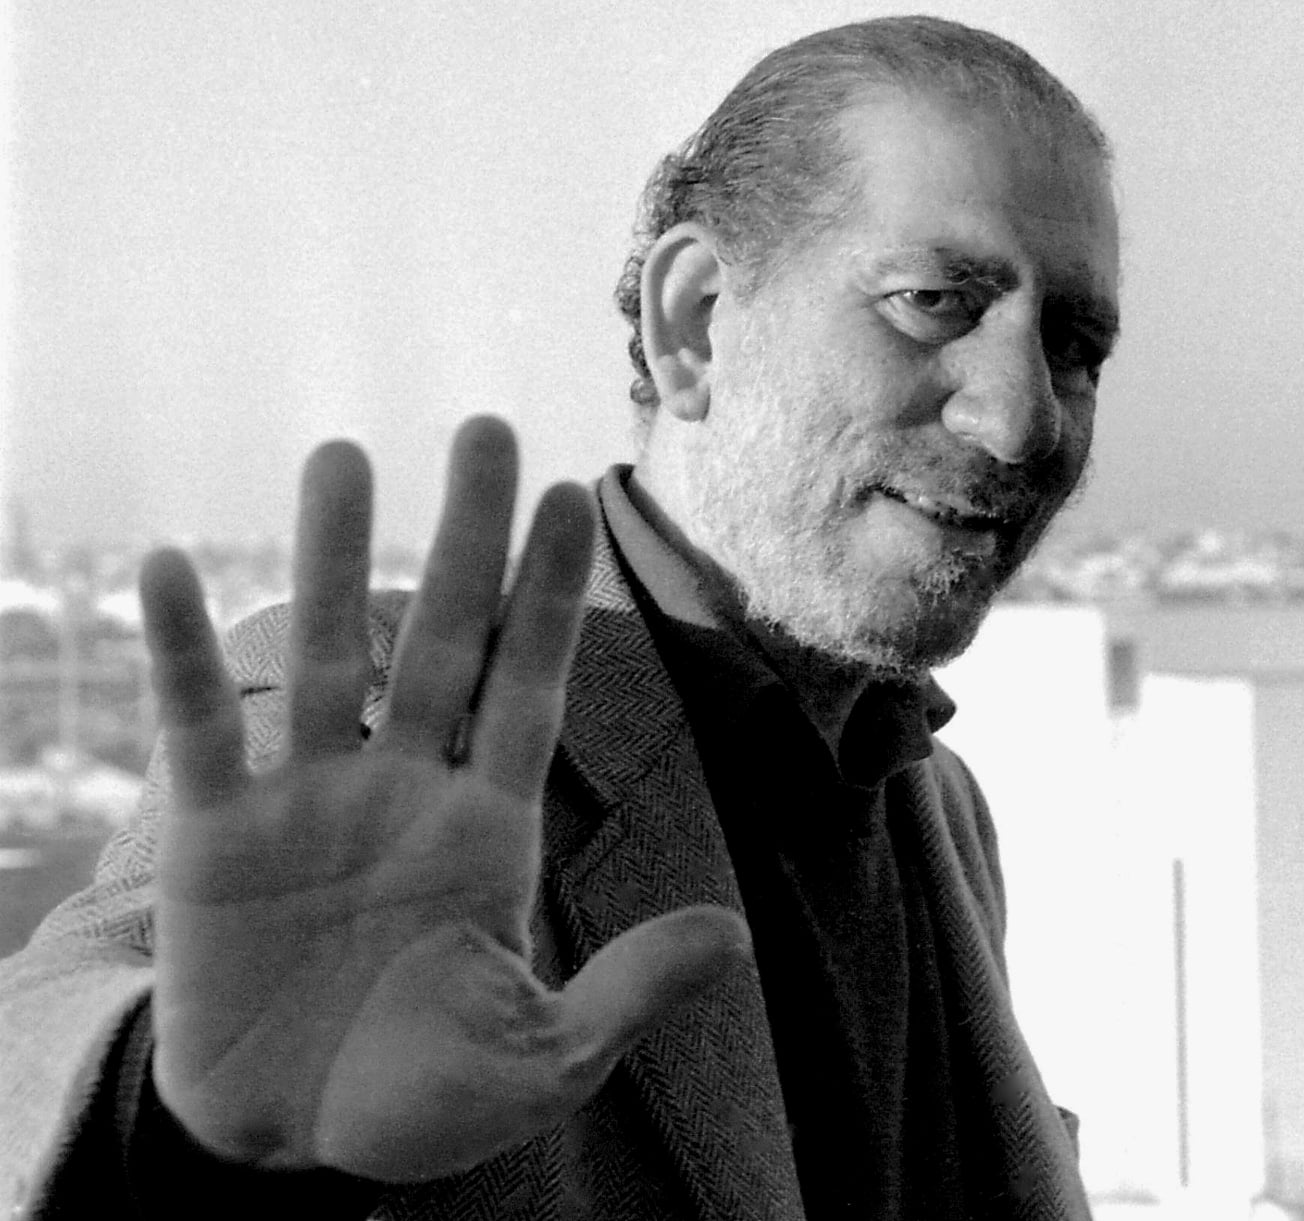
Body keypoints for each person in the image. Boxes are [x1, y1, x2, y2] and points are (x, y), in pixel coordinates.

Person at [0, 14, 1119, 1219]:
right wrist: (196, 1130)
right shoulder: (404, 717)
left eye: (1074, 346)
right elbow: (46, 1047)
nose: (1023, 421)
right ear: (693, 323)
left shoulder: (937, 803)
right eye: (933, 301)